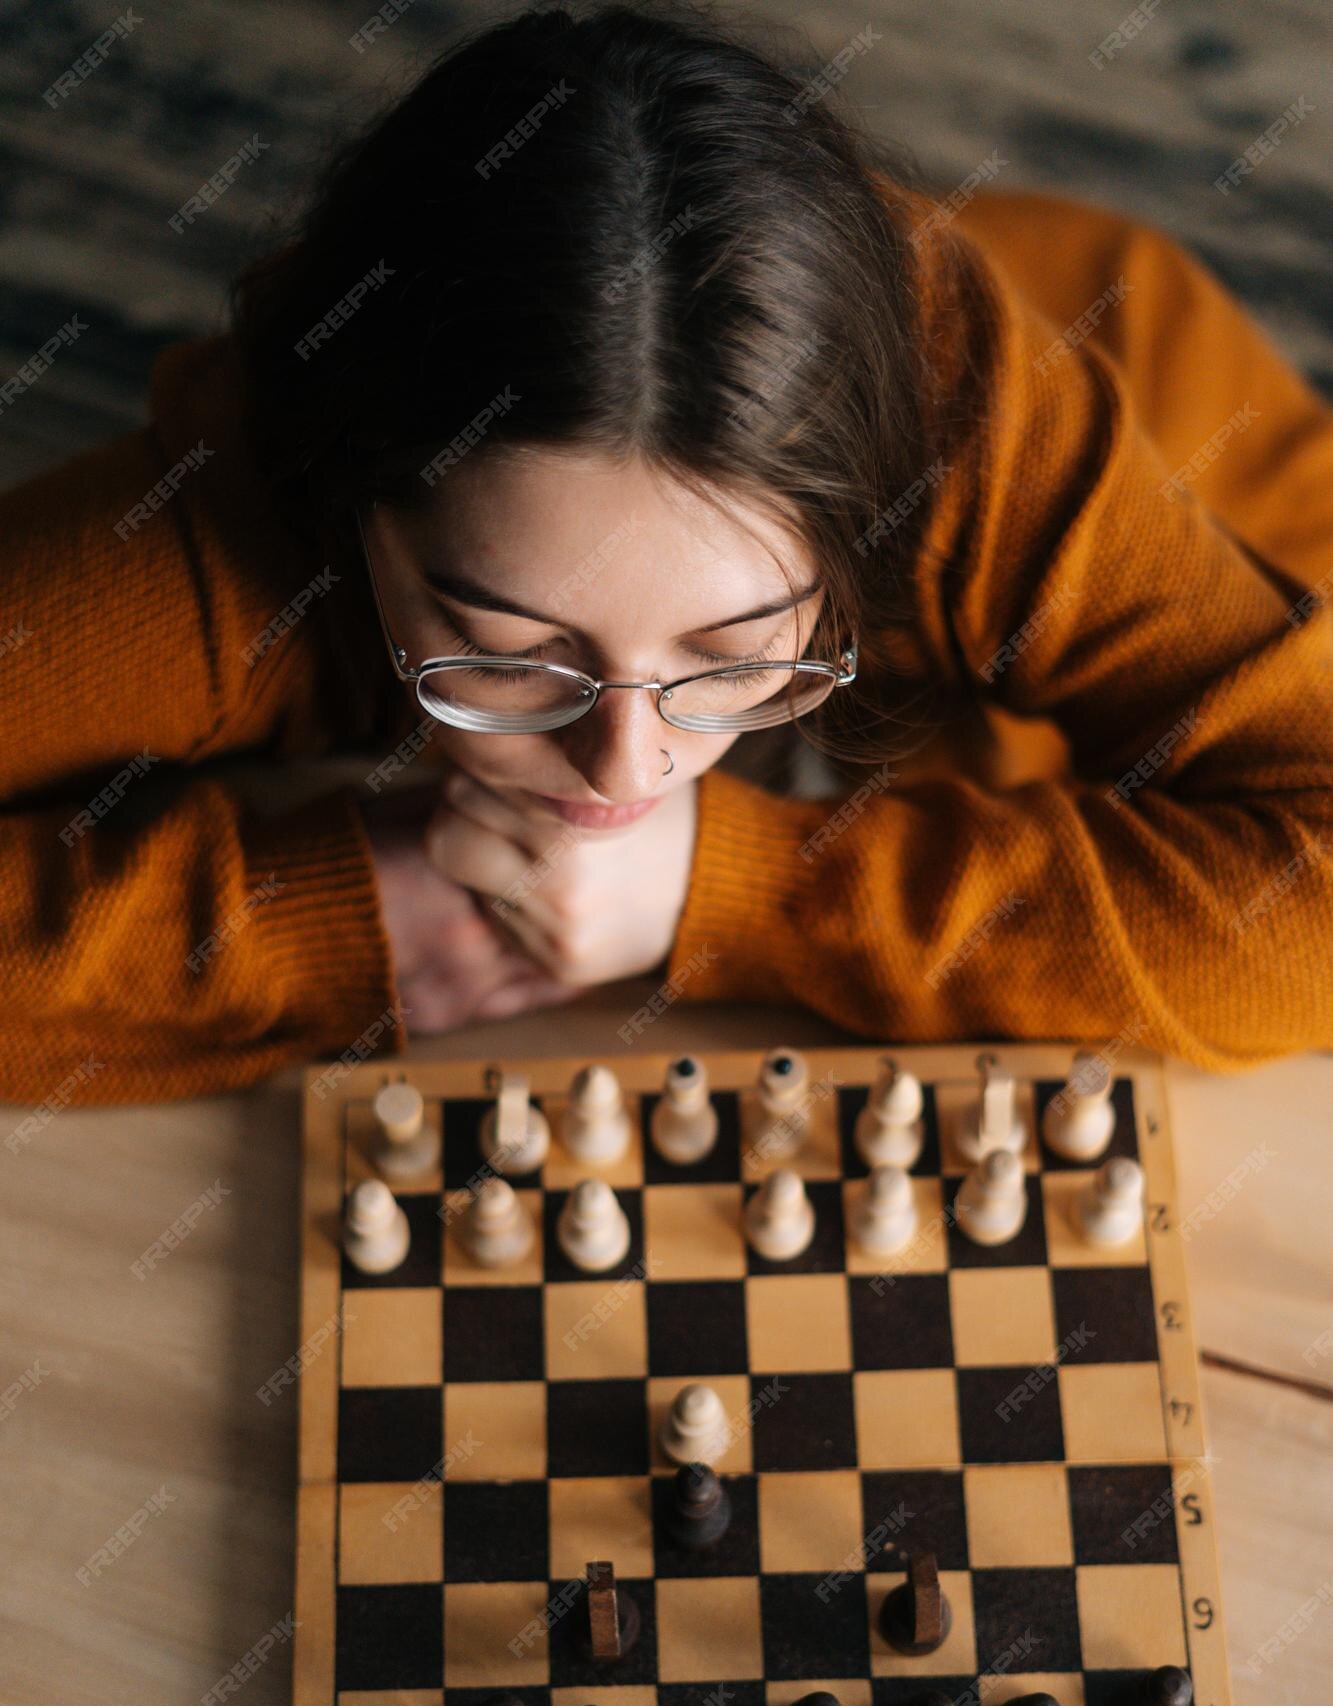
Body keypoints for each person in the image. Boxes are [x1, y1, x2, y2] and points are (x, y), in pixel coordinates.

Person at [2, 2, 1330, 1106]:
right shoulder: (236, 519)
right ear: (361, 512)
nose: (625, 767)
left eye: (745, 655)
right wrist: (325, 915)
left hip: (1179, 409)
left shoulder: (978, 433)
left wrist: (746, 888)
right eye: (510, 656)